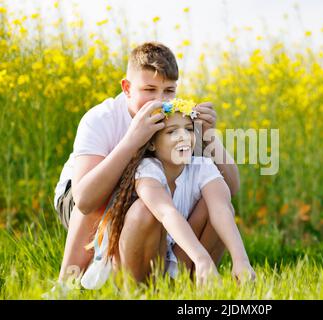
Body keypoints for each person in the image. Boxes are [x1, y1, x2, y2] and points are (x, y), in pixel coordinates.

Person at [53, 42, 243, 287]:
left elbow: (231, 188)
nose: (159, 100)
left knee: (212, 200)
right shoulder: (101, 119)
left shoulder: (178, 122)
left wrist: (208, 136)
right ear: (127, 88)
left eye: (169, 91)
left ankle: (183, 282)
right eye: (149, 89)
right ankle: (68, 282)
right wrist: (132, 140)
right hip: (84, 199)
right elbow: (85, 200)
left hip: (152, 196)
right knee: (125, 200)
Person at [80, 100, 255, 289]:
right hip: (139, 264)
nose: (184, 137)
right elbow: (166, 213)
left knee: (220, 205)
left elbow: (221, 209)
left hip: (178, 259)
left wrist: (241, 259)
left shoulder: (202, 166)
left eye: (188, 129)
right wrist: (201, 257)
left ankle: (192, 285)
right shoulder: (147, 170)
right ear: (153, 144)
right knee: (143, 211)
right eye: (172, 132)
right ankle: (139, 290)